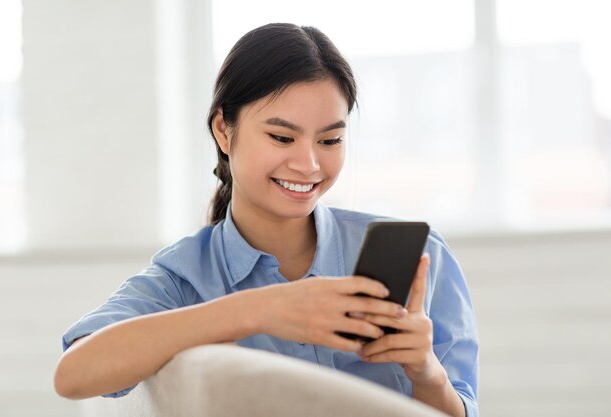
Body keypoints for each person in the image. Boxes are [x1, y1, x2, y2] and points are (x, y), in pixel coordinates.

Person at [54, 23, 479, 417]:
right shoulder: (185, 277)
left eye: (330, 139)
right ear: (224, 130)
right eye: (281, 137)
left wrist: (427, 373)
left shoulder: (422, 257)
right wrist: (259, 310)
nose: (309, 163)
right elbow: (74, 374)